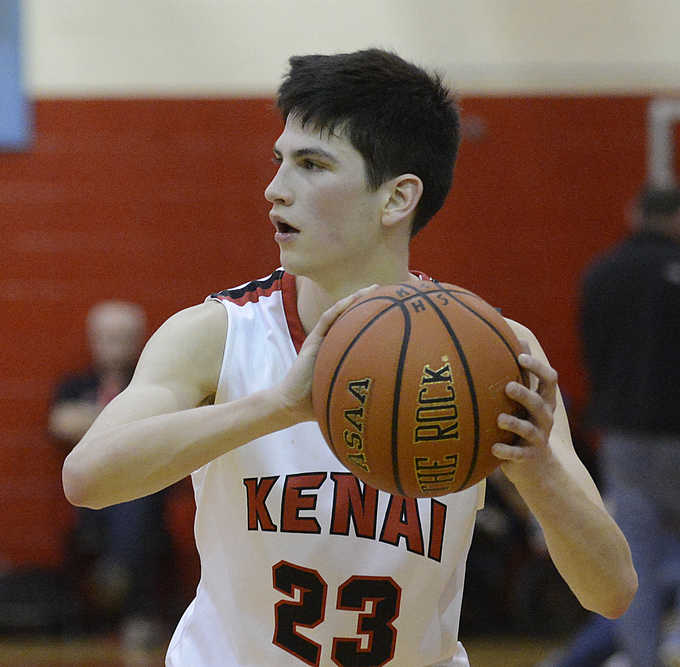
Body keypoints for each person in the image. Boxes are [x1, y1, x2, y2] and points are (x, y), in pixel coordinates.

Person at [63, 49, 636, 665]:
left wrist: (537, 475)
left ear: (396, 199)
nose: (275, 189)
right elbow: (89, 477)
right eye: (279, 160)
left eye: (312, 165)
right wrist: (281, 406)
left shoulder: (491, 354)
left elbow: (611, 592)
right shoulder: (216, 334)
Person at [579, 186, 680, 667]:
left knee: (634, 557)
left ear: (633, 214)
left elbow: (591, 352)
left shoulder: (602, 272)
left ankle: (642, 659)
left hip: (624, 435)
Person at [49, 300, 171, 647]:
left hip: (144, 489)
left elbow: (166, 422)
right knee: (110, 502)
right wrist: (127, 421)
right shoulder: (75, 383)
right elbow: (60, 422)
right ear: (93, 339)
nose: (114, 346)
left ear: (138, 341)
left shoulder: (152, 381)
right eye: (107, 337)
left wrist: (95, 421)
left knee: (136, 502)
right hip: (86, 491)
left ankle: (121, 577)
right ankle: (120, 583)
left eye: (122, 337)